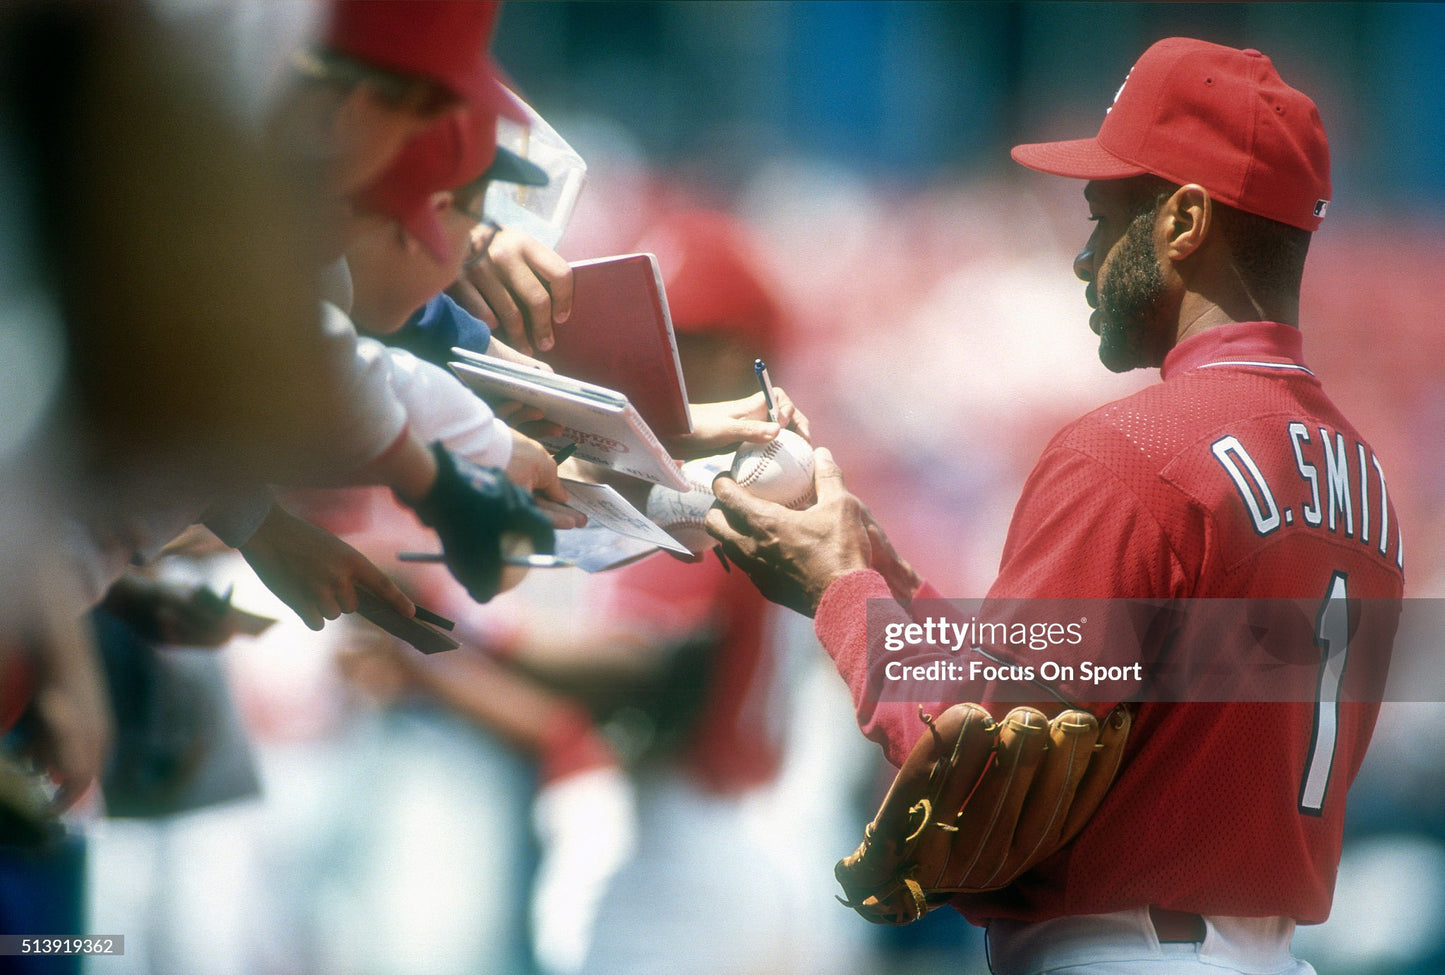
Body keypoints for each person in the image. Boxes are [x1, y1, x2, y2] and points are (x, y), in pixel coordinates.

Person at [706, 37, 1404, 975]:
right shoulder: (1364, 482)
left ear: (1185, 219)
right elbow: (1109, 673)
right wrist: (889, 577)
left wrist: (835, 592)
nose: (1082, 257)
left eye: (1104, 216)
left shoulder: (1133, 452)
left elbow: (976, 760)